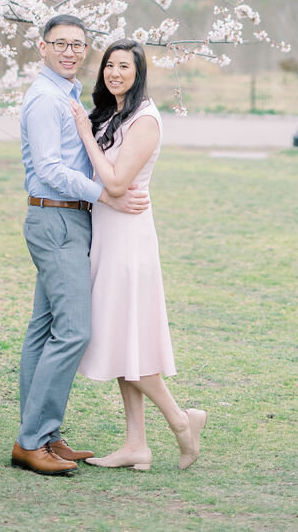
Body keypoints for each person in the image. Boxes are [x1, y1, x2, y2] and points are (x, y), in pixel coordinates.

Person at [13, 14, 151, 477]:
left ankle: (44, 434)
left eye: (78, 44)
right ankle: (31, 442)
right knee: (73, 330)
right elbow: (50, 168)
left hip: (69, 218)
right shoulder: (44, 101)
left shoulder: (68, 96)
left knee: (45, 327)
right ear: (42, 47)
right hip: (56, 217)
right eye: (61, 43)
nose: (71, 51)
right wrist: (106, 192)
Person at [69, 40, 207, 472]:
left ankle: (182, 422)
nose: (114, 73)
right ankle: (136, 445)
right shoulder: (113, 114)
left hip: (128, 240)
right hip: (107, 236)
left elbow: (113, 183)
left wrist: (85, 136)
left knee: (127, 340)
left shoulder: (144, 120)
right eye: (109, 65)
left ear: (138, 71)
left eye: (123, 66)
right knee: (122, 340)